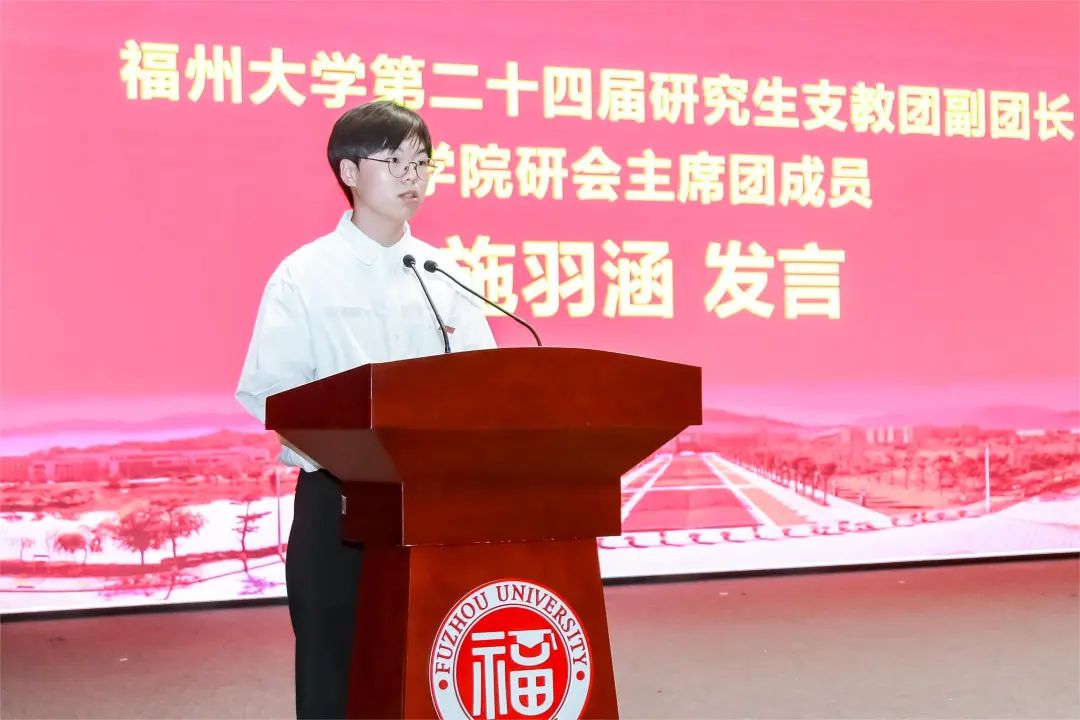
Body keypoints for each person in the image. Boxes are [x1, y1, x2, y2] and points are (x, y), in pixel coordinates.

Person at [235, 100, 496, 719]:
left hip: (430, 507)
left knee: (430, 674)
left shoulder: (443, 272)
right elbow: (271, 389)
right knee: (337, 677)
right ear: (349, 172)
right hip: (340, 506)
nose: (413, 176)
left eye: (422, 163)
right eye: (395, 161)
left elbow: (486, 382)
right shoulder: (305, 275)